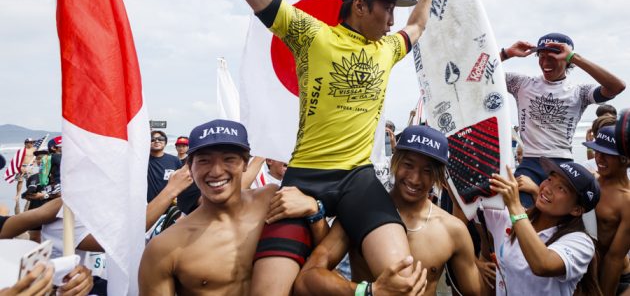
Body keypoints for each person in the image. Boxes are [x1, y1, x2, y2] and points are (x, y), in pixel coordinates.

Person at [221, 0, 440, 292]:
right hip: (305, 177)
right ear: (360, 5)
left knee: (406, 282)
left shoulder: (387, 48)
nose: (392, 20)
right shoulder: (311, 35)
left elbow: (417, 24)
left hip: (358, 179)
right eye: (386, 8)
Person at [138, 119, 325, 295]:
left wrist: (315, 212)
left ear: (245, 164)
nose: (217, 171)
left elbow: (324, 258)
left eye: (229, 159)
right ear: (190, 167)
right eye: (204, 160)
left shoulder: (273, 199)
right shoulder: (164, 247)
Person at [294, 125, 483, 296]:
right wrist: (369, 291)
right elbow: (306, 279)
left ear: (438, 175)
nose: (415, 179)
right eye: (408, 165)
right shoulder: (362, 212)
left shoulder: (452, 230)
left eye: (427, 171)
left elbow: (475, 292)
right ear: (395, 161)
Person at [500, 33, 625, 206]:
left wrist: (575, 57)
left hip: (563, 163)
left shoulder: (579, 92)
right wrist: (506, 54)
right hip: (530, 163)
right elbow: (477, 74)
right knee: (516, 214)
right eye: (541, 57)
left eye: (553, 58)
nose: (545, 63)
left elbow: (617, 86)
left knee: (560, 223)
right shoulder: (521, 83)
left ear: (567, 60)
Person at [479, 158, 601, 296]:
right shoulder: (511, 218)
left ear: (576, 210)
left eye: (561, 188)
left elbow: (542, 265)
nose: (547, 188)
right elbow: (465, 203)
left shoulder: (581, 242)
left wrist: (514, 204)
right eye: (549, 179)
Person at [582, 125, 630, 295]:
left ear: (625, 159)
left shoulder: (626, 201)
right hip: (587, 273)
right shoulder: (589, 181)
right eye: (596, 151)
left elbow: (614, 259)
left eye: (608, 154)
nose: (599, 158)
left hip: (613, 278)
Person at [147, 130, 182, 203]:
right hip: (147, 205)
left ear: (165, 142)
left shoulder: (175, 160)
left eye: (160, 139)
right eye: (152, 139)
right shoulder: (143, 160)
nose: (156, 141)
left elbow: (181, 181)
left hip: (169, 204)